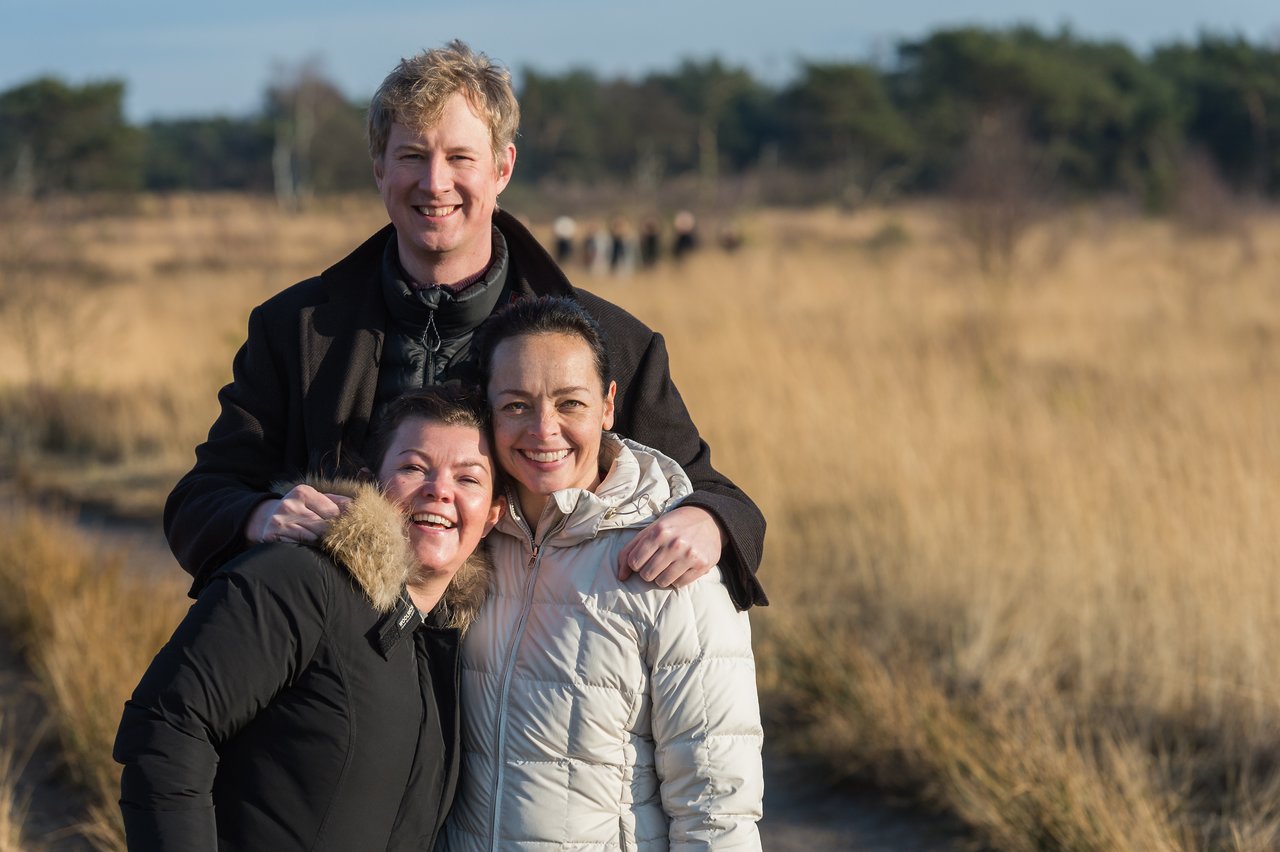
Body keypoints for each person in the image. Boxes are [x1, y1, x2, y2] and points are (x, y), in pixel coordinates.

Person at [163, 39, 767, 612]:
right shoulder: (292, 330)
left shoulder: (610, 341)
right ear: (379, 168)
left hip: (528, 666)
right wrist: (260, 517)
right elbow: (200, 498)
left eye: (459, 157)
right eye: (411, 156)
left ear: (502, 168)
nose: (435, 183)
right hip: (340, 666)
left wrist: (708, 522)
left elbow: (721, 499)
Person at [113, 385, 502, 851]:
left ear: (493, 516)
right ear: (373, 485)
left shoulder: (442, 648)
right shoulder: (299, 579)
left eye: (468, 478)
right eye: (413, 468)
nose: (439, 490)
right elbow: (167, 727)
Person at [441, 296, 763, 850]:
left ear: (609, 406)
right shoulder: (466, 543)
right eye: (516, 405)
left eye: (570, 403)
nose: (544, 430)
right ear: (487, 411)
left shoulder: (675, 562)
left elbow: (716, 808)